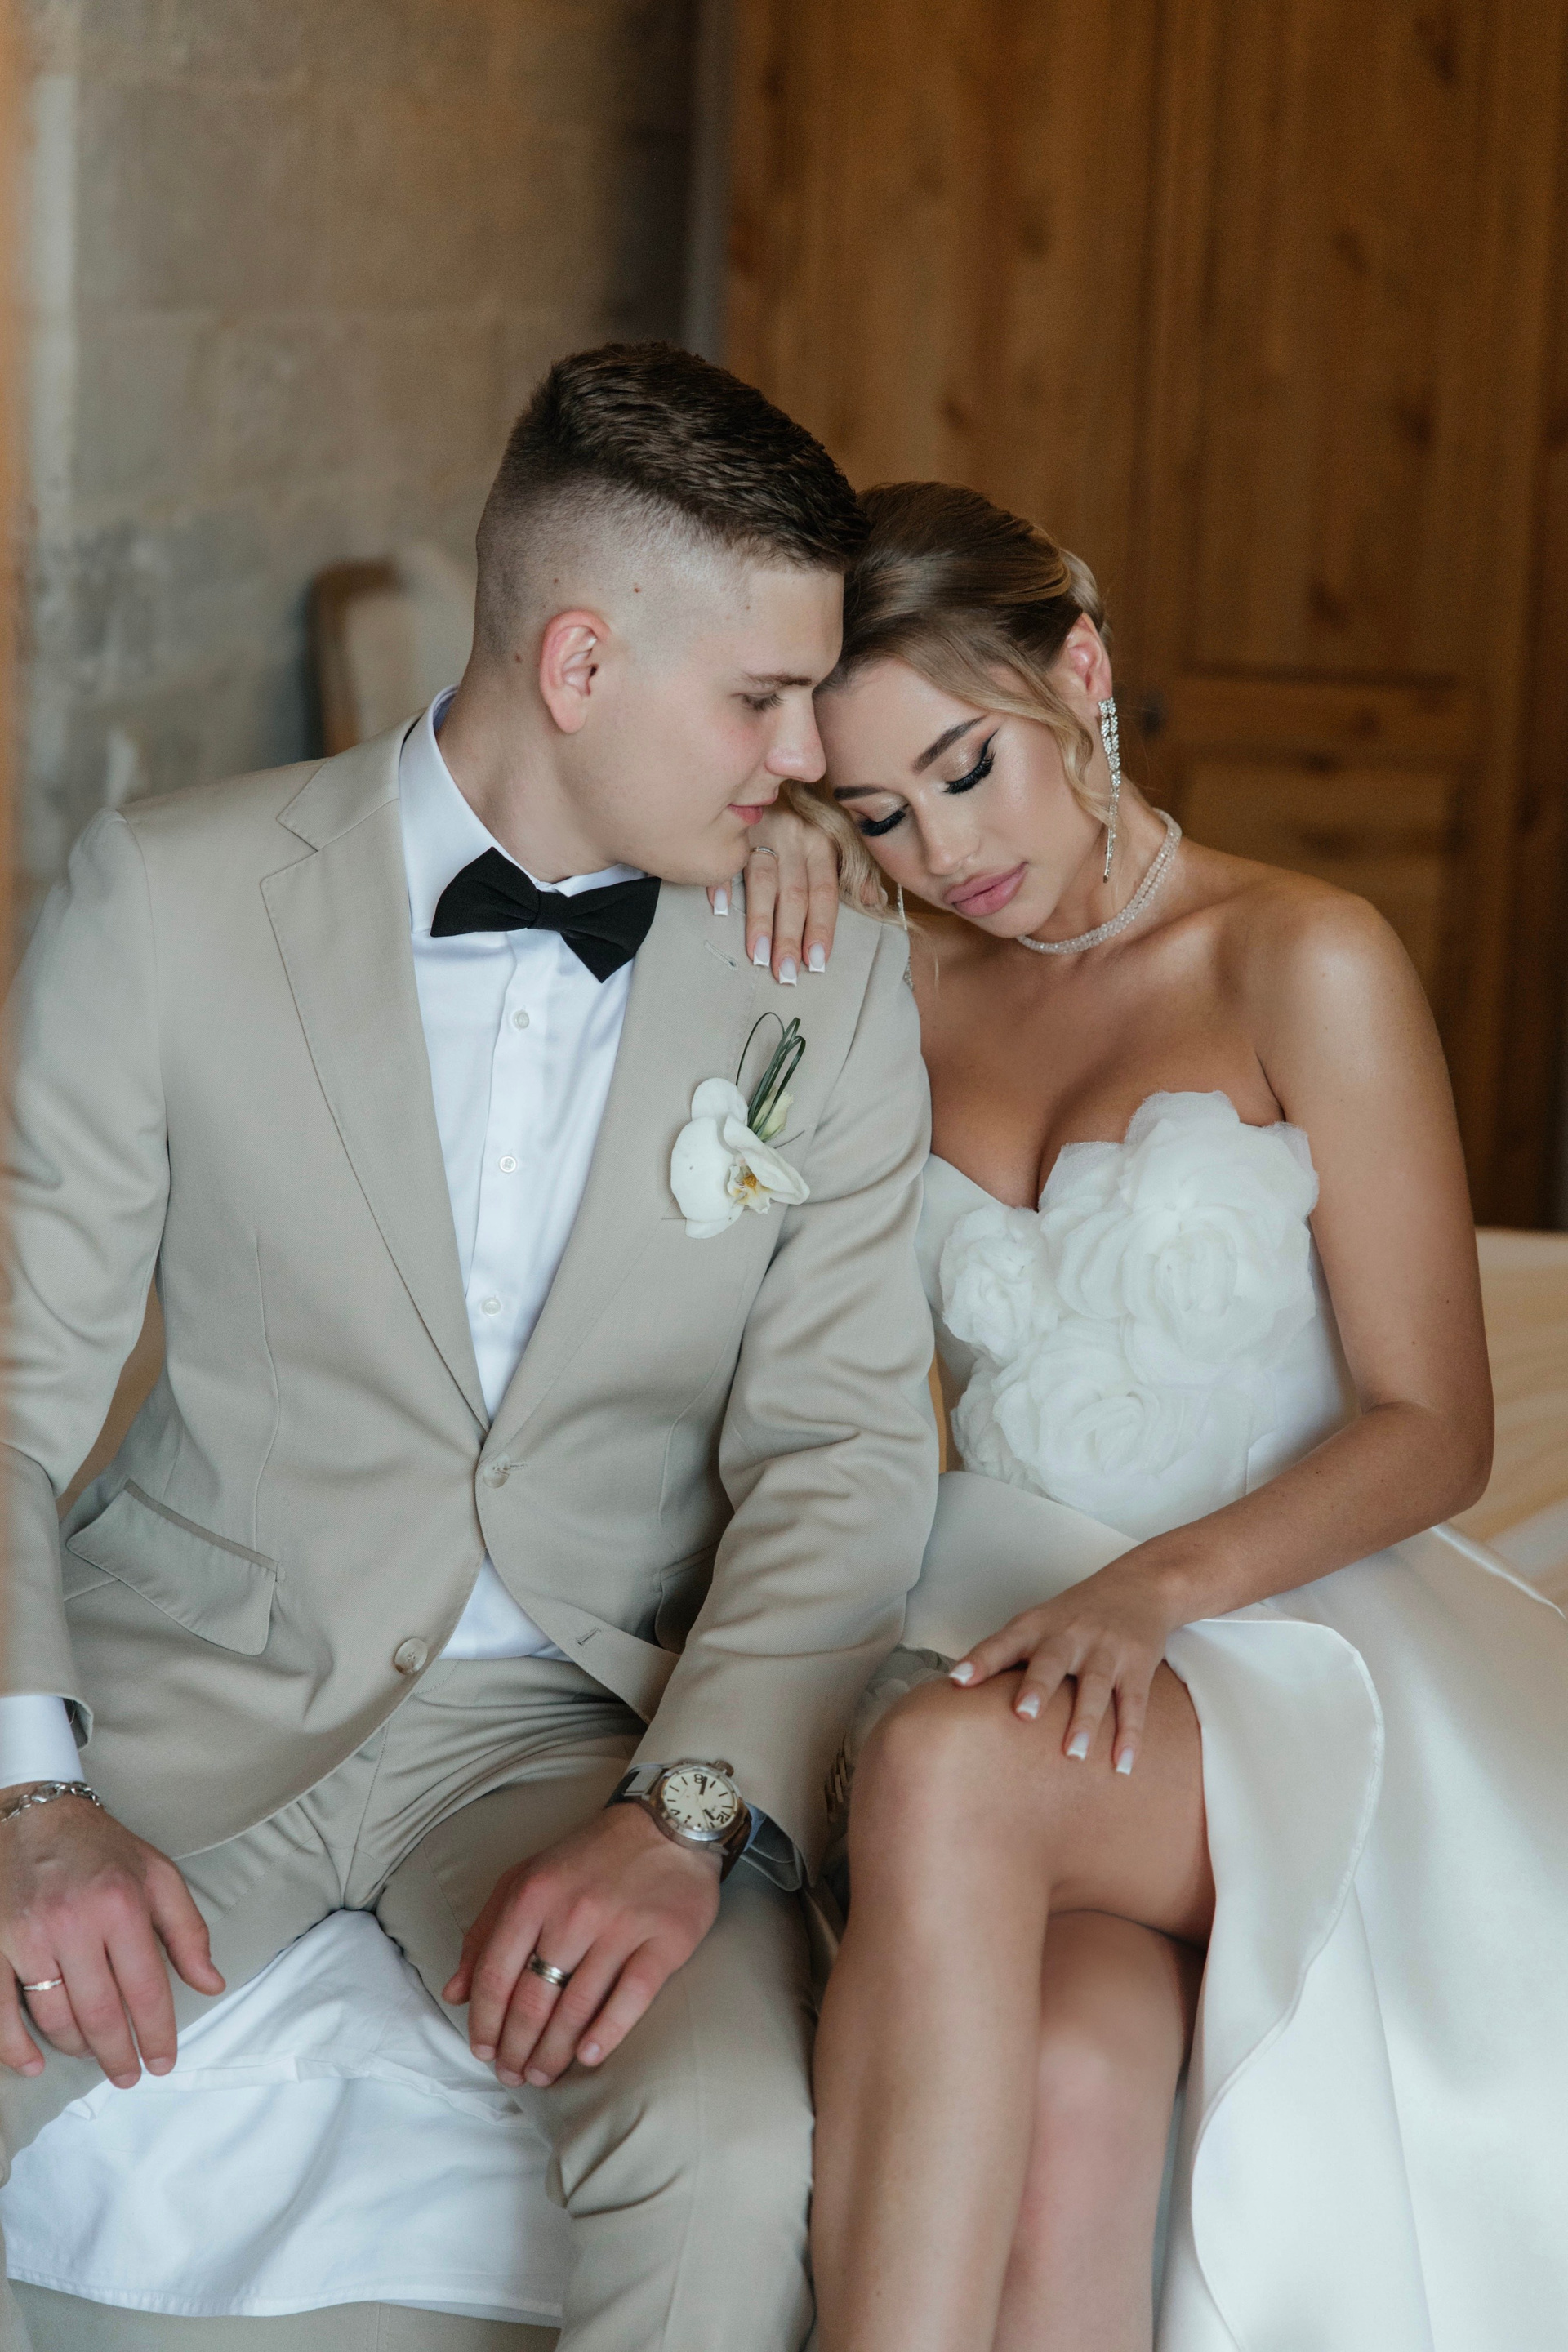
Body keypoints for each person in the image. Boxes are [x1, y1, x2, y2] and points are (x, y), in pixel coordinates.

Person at [0, 346, 938, 2352]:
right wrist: (27, 1801)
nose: (811, 753)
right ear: (580, 665)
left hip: (578, 1733)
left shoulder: (829, 984)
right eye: (763, 700)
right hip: (189, 1684)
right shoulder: (168, 897)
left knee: (730, 2143)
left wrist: (684, 1817)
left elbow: (847, 1451)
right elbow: (8, 1395)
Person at [731, 483, 1568, 2352]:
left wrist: (1154, 1592)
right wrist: (768, 847)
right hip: (1008, 1640)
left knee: (946, 1772)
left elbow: (1437, 1426)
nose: (947, 849)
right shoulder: (883, 986)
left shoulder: (1300, 955)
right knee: (1082, 2080)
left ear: (1082, 674)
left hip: (1280, 1632)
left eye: (968, 768)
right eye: (877, 810)